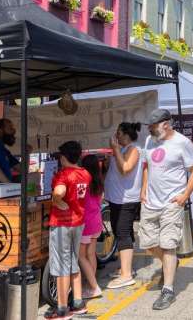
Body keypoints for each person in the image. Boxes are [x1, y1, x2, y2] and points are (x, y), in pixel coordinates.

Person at [140, 109, 193, 311]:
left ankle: (168, 290)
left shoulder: (182, 142)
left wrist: (184, 196)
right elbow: (146, 165)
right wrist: (143, 189)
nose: (149, 129)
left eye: (152, 126)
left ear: (166, 124)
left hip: (171, 203)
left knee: (168, 245)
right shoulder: (149, 141)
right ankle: (171, 264)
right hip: (150, 202)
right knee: (147, 243)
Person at [46, 141, 91, 319]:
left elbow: (59, 192)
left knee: (60, 264)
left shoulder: (63, 175)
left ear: (64, 157)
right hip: (78, 222)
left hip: (62, 223)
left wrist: (58, 201)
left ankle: (62, 307)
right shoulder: (85, 174)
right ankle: (78, 301)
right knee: (72, 260)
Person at [105, 122, 144, 290]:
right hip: (116, 198)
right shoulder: (121, 150)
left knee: (122, 233)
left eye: (118, 133)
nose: (116, 136)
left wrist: (114, 149)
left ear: (126, 134)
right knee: (121, 231)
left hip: (126, 200)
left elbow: (125, 168)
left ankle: (126, 275)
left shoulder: (134, 150)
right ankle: (125, 268)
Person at [79, 153, 104, 300]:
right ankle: (90, 285)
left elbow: (78, 200)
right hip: (96, 221)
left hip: (85, 222)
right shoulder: (99, 181)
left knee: (81, 256)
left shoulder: (84, 182)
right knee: (90, 254)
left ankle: (94, 287)